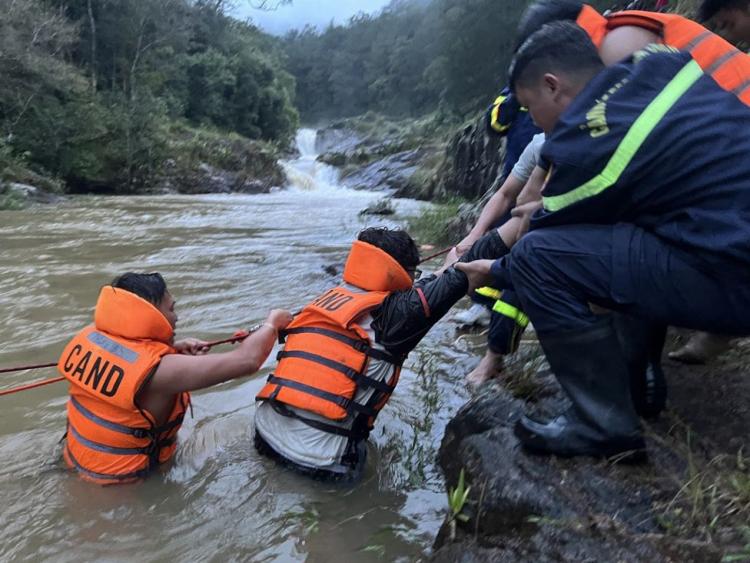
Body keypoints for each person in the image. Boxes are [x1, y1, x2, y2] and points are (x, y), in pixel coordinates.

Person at [458, 22, 750, 458]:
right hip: (726, 237)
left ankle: (603, 425)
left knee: (541, 257)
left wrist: (494, 269)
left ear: (552, 86)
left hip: (733, 275)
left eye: (529, 105)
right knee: (628, 233)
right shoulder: (659, 63)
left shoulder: (586, 150)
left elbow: (540, 244)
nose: (533, 119)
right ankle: (640, 384)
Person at [253, 227, 509, 481]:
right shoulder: (399, 316)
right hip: (319, 464)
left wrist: (445, 269)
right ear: (399, 275)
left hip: (263, 436)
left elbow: (423, 292)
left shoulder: (328, 300)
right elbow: (470, 266)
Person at [58, 272, 293, 484]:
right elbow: (246, 361)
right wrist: (272, 323)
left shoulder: (91, 340)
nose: (176, 317)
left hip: (77, 462)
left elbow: (134, 361)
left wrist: (172, 349)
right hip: (124, 488)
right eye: (171, 309)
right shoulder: (162, 372)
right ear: (149, 314)